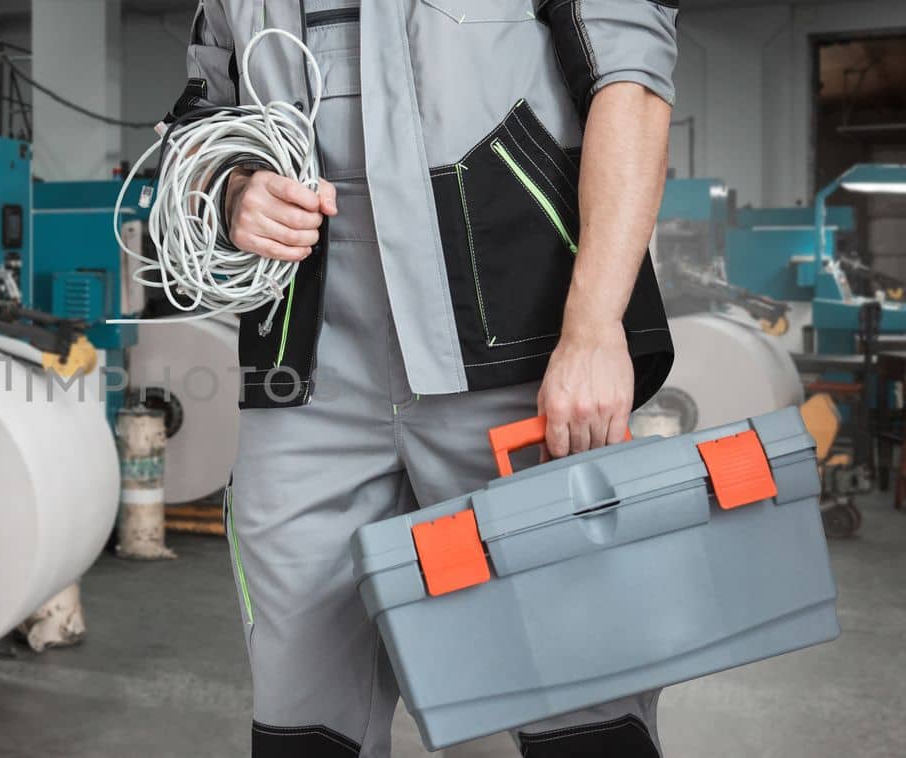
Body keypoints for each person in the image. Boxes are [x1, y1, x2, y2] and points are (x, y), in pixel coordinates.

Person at [164, 1, 678, 756]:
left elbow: (629, 85)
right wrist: (234, 190)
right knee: (303, 718)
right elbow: (200, 121)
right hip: (306, 376)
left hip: (518, 365)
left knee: (584, 706)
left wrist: (596, 330)